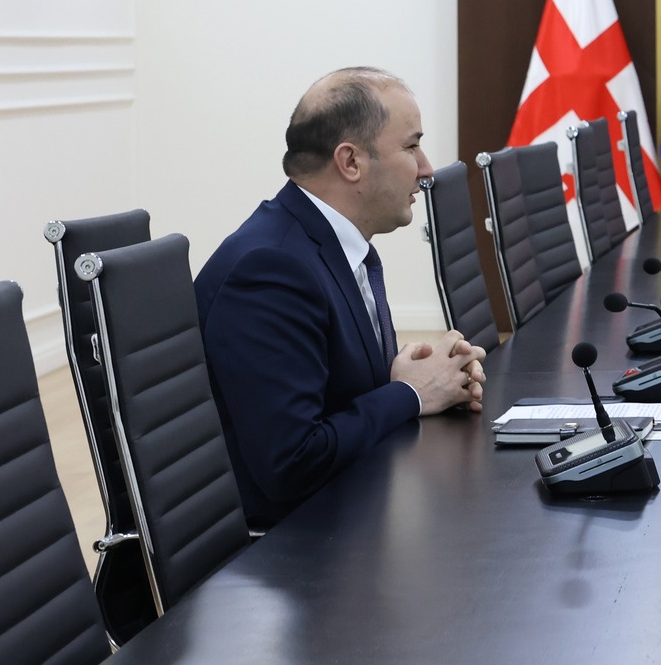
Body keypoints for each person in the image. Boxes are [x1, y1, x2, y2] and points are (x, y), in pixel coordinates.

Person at [196, 67, 487, 529]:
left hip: (354, 513)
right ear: (350, 162)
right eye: (411, 146)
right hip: (293, 548)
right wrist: (410, 393)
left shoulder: (336, 245)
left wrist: (417, 377)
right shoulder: (271, 270)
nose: (427, 168)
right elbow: (292, 463)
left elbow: (332, 395)